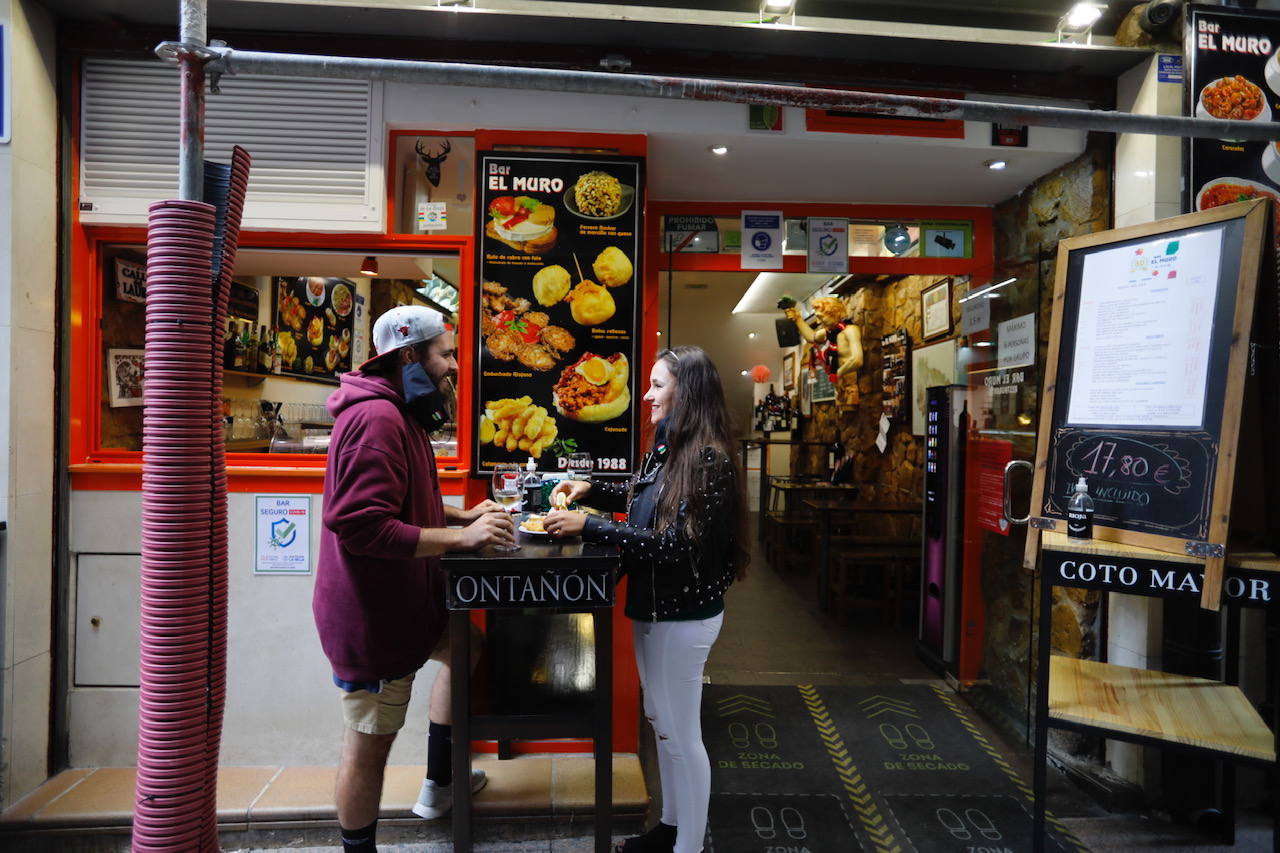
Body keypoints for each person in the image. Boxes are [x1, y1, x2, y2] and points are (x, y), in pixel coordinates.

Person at [314, 305, 516, 853]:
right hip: (373, 618)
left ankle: (441, 780)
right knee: (368, 746)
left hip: (410, 606)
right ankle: (359, 848)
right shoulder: (376, 420)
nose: (453, 366)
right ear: (409, 356)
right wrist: (462, 539)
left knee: (465, 644)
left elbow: (406, 501)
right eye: (445, 354)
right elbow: (361, 526)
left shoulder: (400, 412)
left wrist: (462, 515)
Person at [543, 346, 748, 853]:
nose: (647, 394)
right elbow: (643, 497)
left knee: (683, 735)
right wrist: (591, 489)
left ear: (688, 392)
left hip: (686, 615)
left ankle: (690, 846)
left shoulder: (709, 460)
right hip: (653, 605)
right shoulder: (668, 447)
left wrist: (589, 525)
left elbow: (676, 544)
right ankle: (672, 830)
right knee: (661, 722)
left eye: (658, 385)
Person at [781, 296, 863, 404]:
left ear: (833, 313)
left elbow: (857, 359)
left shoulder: (850, 330)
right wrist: (797, 319)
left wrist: (837, 373)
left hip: (851, 386)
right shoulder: (828, 332)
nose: (818, 322)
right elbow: (811, 337)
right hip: (838, 387)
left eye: (820, 317)